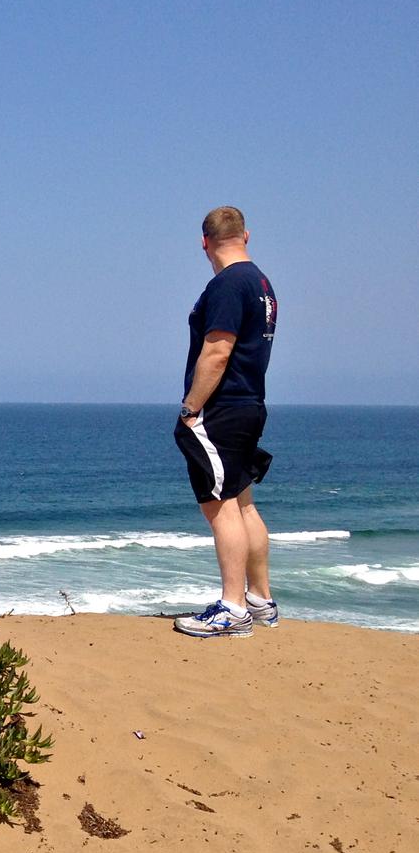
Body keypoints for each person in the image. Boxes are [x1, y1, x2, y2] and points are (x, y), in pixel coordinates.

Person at [172, 205, 279, 638]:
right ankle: (260, 600)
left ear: (204, 242)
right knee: (242, 501)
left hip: (222, 407)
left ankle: (232, 607)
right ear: (246, 236)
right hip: (250, 401)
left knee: (219, 506)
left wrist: (190, 408)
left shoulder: (228, 285)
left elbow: (217, 352)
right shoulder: (262, 284)